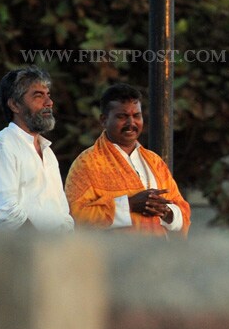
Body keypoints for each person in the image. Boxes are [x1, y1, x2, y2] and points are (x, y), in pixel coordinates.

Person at [65, 83, 191, 236]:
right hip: (114, 257)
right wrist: (129, 205)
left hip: (157, 256)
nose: (131, 123)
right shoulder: (87, 163)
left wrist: (165, 212)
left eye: (136, 116)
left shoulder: (154, 161)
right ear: (104, 120)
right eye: (122, 116)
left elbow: (183, 211)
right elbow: (75, 217)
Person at [0, 66, 74, 232]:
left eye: (48, 95)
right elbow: (2, 211)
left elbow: (62, 212)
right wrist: (40, 244)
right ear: (14, 105)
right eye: (38, 96)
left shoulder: (47, 151)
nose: (49, 102)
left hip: (53, 252)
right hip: (18, 253)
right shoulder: (2, 146)